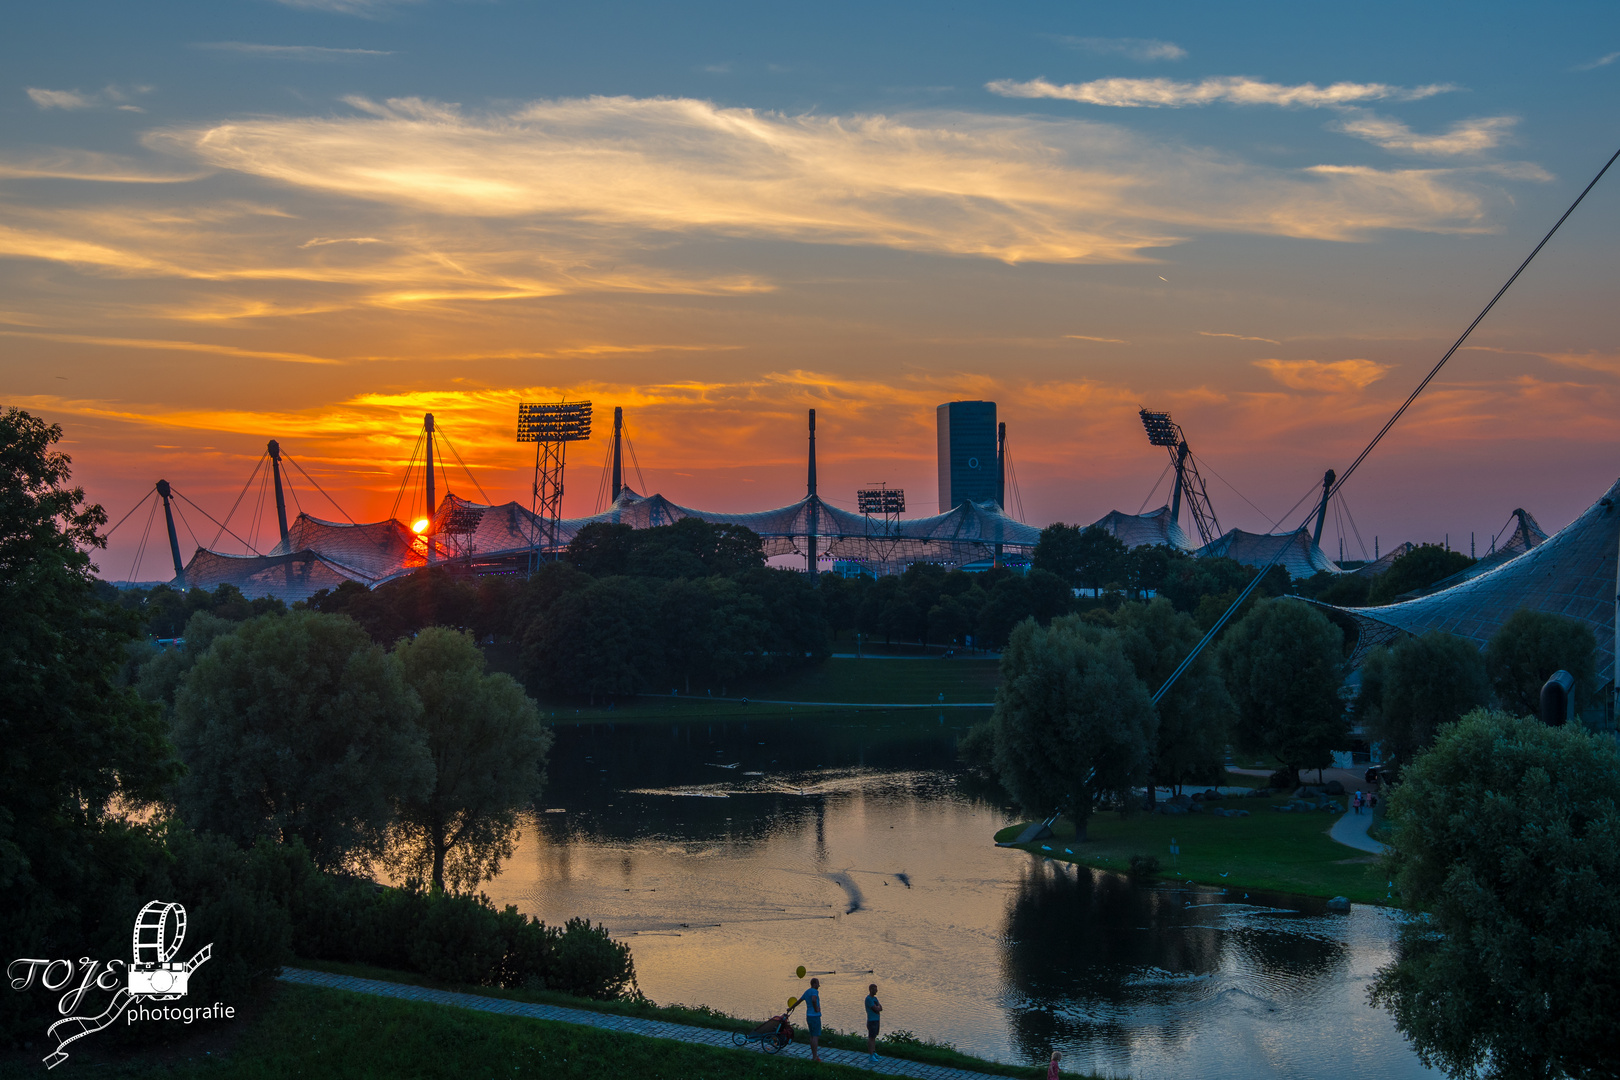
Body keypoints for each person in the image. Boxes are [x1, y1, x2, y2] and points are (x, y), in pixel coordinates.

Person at [802, 978, 822, 1062]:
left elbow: (799, 1001)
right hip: (814, 1016)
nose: (819, 985)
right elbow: (814, 1000)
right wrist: (816, 1008)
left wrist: (790, 1008)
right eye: (818, 983)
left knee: (811, 1036)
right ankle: (815, 1056)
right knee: (815, 1036)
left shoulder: (807, 992)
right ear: (814, 984)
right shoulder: (814, 991)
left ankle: (814, 1055)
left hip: (809, 1016)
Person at [864, 983, 882, 1062]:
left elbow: (880, 1008)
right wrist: (878, 1007)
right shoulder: (868, 999)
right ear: (871, 990)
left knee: (874, 1037)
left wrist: (878, 1007)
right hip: (871, 1021)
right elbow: (875, 1008)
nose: (876, 991)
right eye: (875, 989)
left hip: (877, 1020)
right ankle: (871, 1055)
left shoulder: (875, 998)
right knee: (871, 1038)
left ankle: (874, 1052)